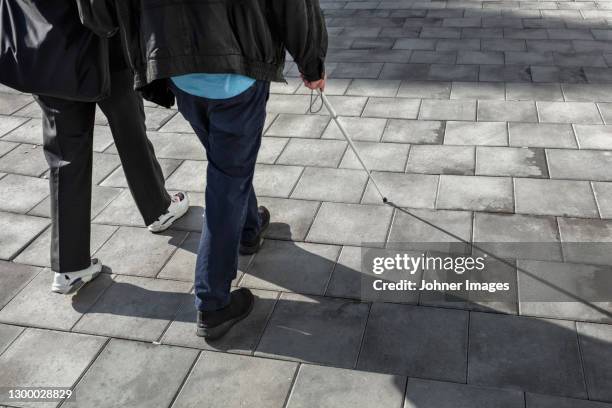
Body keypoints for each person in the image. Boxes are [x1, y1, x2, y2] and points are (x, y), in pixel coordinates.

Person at [81, 0, 327, 339]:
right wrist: (311, 62)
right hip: (236, 68)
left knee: (227, 164)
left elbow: (99, 16)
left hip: (178, 66)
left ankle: (249, 227)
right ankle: (212, 302)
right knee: (227, 174)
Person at [29, 10, 190, 295]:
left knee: (66, 155)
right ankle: (158, 208)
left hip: (45, 47)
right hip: (102, 44)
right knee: (129, 126)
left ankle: (70, 266)